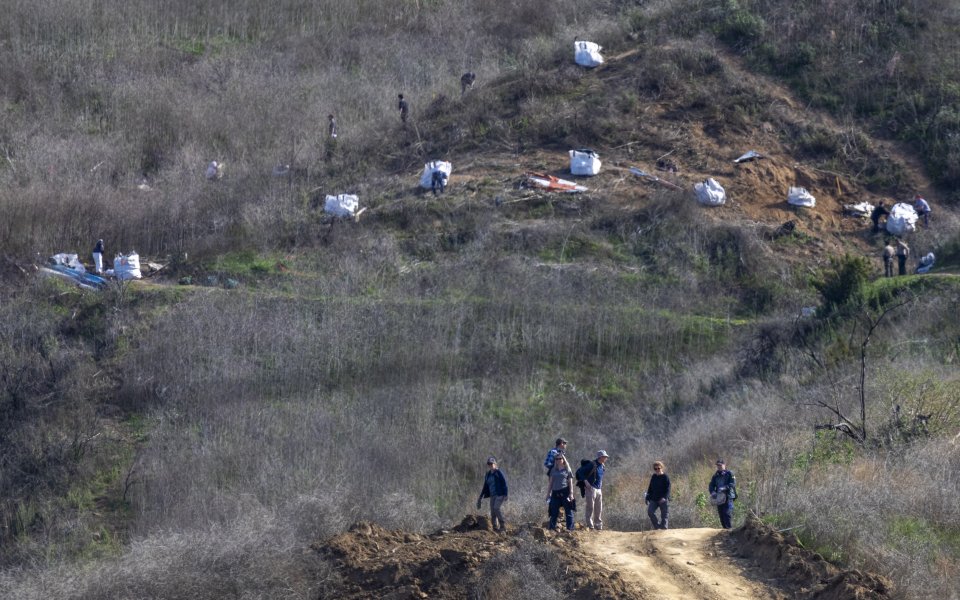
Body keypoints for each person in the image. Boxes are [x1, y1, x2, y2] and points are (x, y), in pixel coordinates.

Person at [477, 456, 508, 532]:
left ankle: (503, 525)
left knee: (496, 508)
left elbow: (504, 483)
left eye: (492, 464)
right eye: (489, 464)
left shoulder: (498, 472)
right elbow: (485, 486)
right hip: (492, 495)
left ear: (495, 464)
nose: (490, 465)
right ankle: (495, 528)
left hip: (500, 494)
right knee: (492, 512)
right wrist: (480, 497)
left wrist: (506, 494)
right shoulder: (488, 474)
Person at [546, 454, 575, 531]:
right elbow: (551, 483)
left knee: (569, 511)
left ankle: (570, 529)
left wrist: (571, 493)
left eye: (560, 458)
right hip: (555, 493)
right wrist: (548, 494)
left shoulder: (567, 469)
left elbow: (570, 482)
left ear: (563, 459)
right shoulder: (553, 470)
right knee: (553, 512)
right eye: (556, 459)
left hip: (565, 492)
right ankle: (552, 529)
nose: (558, 460)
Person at [583, 450, 608, 530]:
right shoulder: (592, 464)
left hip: (599, 489)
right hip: (591, 489)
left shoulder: (602, 465)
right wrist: (586, 482)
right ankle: (590, 526)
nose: (606, 458)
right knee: (590, 507)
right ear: (600, 457)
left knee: (598, 508)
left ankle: (598, 525)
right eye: (605, 457)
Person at [709, 459, 736, 529]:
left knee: (727, 514)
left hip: (728, 497)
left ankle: (729, 530)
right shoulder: (715, 475)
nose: (719, 467)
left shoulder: (730, 474)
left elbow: (733, 484)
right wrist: (712, 492)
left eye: (720, 465)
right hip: (719, 498)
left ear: (724, 465)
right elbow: (711, 485)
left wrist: (725, 487)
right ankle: (724, 531)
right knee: (721, 515)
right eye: (717, 465)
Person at [645, 461, 671, 530]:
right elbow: (650, 488)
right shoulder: (654, 477)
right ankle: (657, 527)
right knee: (650, 512)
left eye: (658, 468)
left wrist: (664, 498)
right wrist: (647, 497)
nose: (657, 470)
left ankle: (664, 529)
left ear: (662, 468)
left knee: (664, 515)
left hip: (663, 499)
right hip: (654, 499)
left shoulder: (665, 477)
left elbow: (668, 489)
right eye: (655, 469)